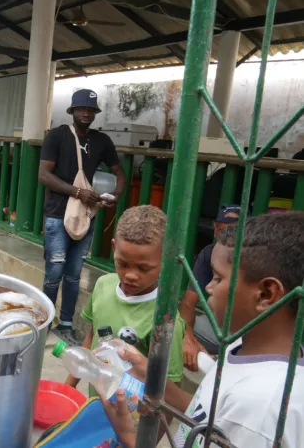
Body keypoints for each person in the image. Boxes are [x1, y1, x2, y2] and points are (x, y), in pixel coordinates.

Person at [102, 212, 304, 448]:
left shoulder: (261, 410)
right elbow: (208, 415)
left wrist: (132, 439)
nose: (208, 286)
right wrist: (154, 379)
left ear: (266, 294)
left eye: (218, 278)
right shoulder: (243, 346)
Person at [39, 89, 126, 343]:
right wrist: (78, 192)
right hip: (57, 214)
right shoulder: (57, 136)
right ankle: (45, 320)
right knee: (54, 271)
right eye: (81, 109)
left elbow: (119, 173)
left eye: (91, 110)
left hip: (86, 215)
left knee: (74, 273)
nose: (86, 114)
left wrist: (115, 195)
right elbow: (43, 175)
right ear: (73, 111)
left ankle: (65, 324)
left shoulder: (102, 141)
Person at [65, 205, 184, 390]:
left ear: (166, 258)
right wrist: (67, 389)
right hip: (96, 404)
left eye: (143, 268)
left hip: (131, 416)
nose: (130, 275)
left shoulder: (166, 320)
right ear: (114, 248)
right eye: (122, 263)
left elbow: (170, 390)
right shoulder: (103, 285)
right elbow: (91, 338)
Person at [179, 204, 241, 371]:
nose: (226, 238)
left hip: (250, 332)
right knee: (175, 328)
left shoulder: (251, 257)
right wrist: (187, 337)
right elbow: (188, 303)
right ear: (214, 230)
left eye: (233, 231)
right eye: (222, 231)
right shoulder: (209, 253)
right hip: (219, 328)